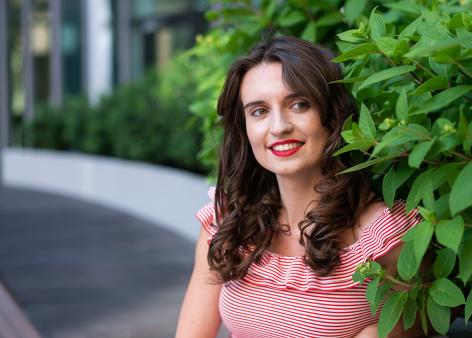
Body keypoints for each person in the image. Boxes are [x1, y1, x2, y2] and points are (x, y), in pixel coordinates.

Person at [176, 36, 425, 338]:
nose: (279, 126)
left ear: (331, 115)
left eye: (299, 104)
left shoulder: (385, 238)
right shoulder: (227, 224)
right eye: (259, 111)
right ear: (245, 129)